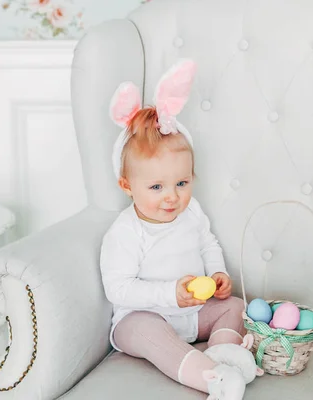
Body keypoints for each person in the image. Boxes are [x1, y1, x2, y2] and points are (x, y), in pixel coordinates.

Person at [99, 59, 249, 398]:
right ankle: (210, 378)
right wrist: (169, 294)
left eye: (182, 182)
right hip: (144, 316)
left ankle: (224, 357)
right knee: (145, 331)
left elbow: (208, 243)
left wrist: (218, 273)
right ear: (127, 185)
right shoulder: (126, 231)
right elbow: (118, 289)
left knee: (236, 307)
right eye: (156, 188)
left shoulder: (192, 211)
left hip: (193, 314)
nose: (172, 197)